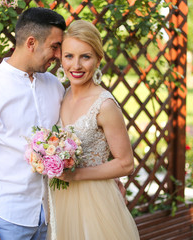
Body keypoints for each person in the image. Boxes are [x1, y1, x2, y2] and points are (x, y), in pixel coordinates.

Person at [0, 8, 66, 240]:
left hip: (50, 217)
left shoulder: (55, 86)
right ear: (31, 42)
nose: (58, 55)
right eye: (54, 46)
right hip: (7, 221)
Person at [52, 20, 140, 239]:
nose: (76, 66)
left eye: (86, 56)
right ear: (60, 57)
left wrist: (77, 174)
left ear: (98, 59)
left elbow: (126, 163)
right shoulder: (60, 96)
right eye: (69, 56)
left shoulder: (105, 105)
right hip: (59, 198)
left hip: (95, 201)